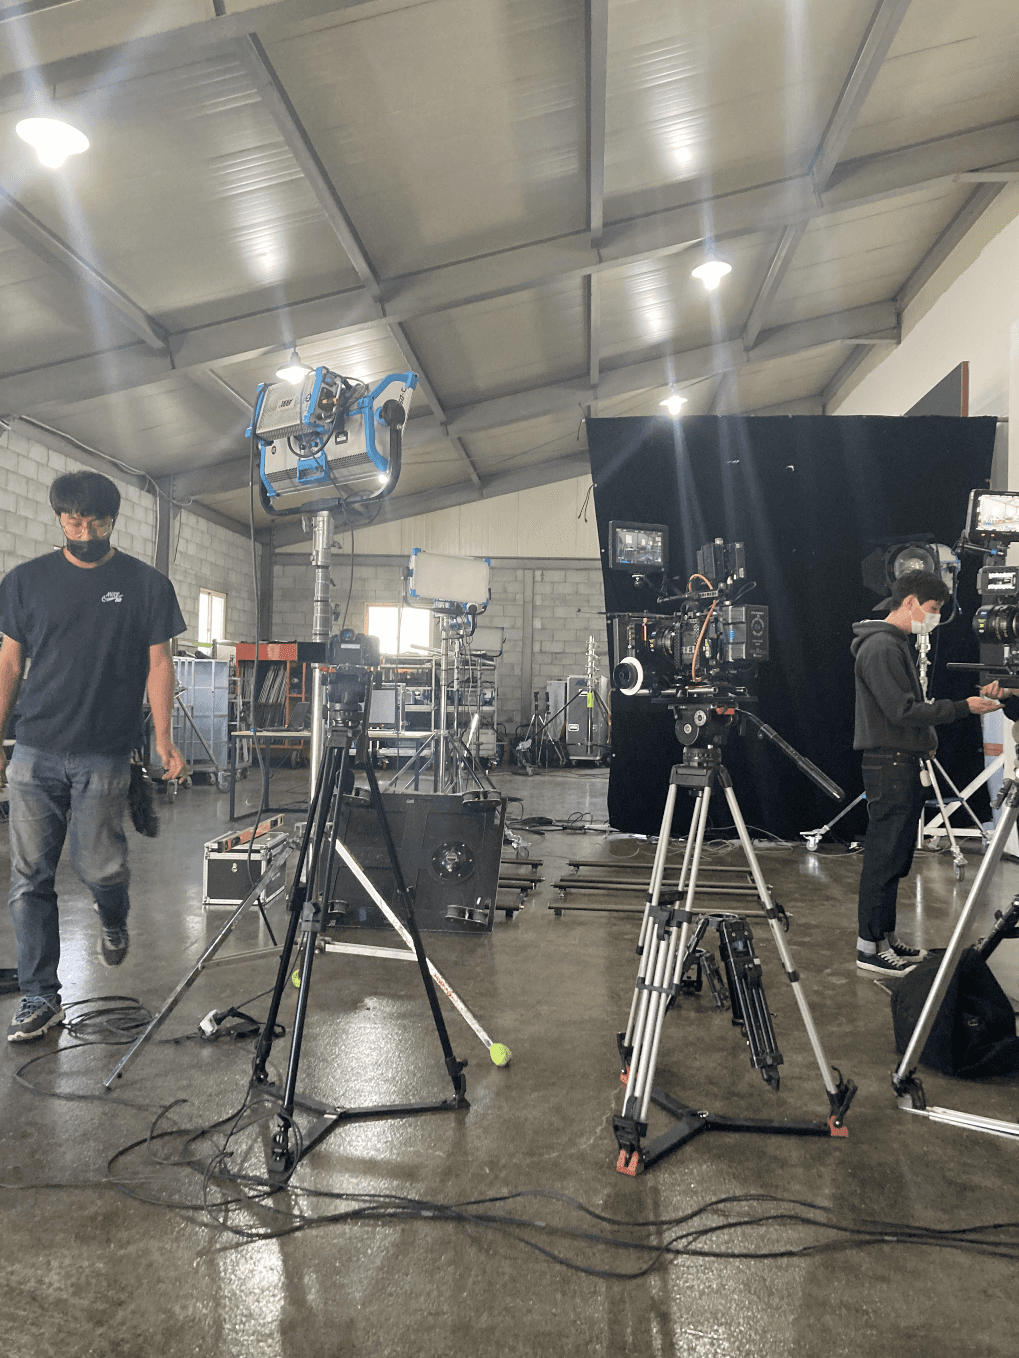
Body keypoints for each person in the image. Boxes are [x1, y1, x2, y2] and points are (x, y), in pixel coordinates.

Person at [0, 471, 187, 1042]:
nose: (84, 533)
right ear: (59, 518)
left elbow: (159, 664)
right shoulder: (26, 582)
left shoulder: (146, 585)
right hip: (35, 750)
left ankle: (112, 916)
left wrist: (163, 738)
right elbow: (9, 663)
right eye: (74, 523)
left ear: (113, 521)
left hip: (105, 753)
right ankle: (40, 995)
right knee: (30, 877)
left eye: (96, 523)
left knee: (100, 867)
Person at [851, 569, 1001, 976]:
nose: (934, 617)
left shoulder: (892, 644)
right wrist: (962, 707)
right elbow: (902, 711)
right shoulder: (881, 647)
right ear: (910, 602)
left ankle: (884, 937)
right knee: (884, 859)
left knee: (896, 857)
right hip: (890, 764)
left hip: (899, 763)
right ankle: (869, 947)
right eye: (933, 608)